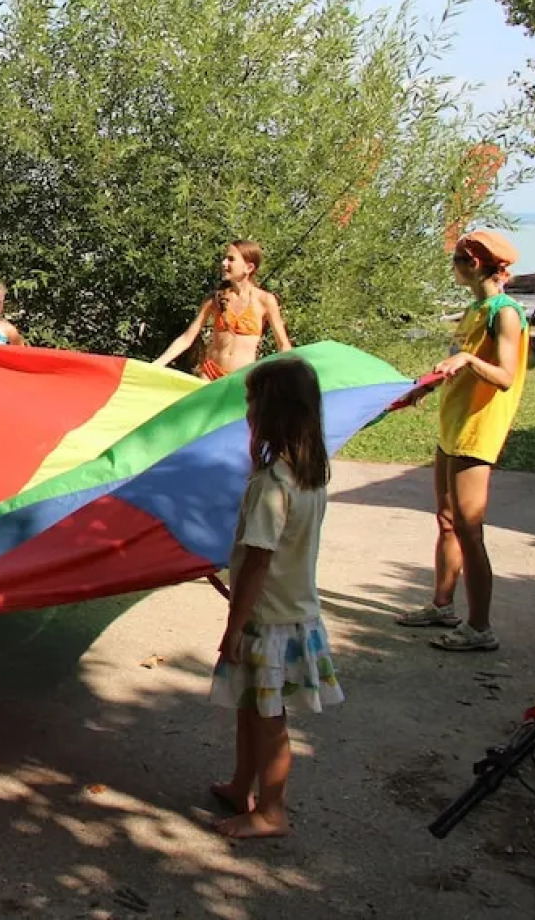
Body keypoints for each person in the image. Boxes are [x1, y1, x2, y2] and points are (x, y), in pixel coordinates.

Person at [208, 356, 341, 840]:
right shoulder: (309, 477)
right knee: (251, 709)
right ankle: (240, 785)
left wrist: (234, 627)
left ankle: (271, 811)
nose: (247, 412)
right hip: (293, 615)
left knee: (268, 722)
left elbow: (259, 563)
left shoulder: (271, 487)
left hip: (266, 623)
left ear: (270, 412)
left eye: (251, 403)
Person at [395, 230, 528, 652]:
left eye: (456, 259)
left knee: (470, 529)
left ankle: (480, 628)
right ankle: (442, 605)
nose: (451, 266)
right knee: (448, 520)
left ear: (474, 263)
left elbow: (504, 376)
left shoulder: (505, 314)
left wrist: (468, 359)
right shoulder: (475, 310)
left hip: (477, 430)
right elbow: (456, 364)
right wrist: (423, 387)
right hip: (453, 425)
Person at [154, 241, 292, 379]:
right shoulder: (216, 298)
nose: (224, 263)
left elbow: (283, 344)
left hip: (242, 379)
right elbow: (187, 338)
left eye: (231, 259)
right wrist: (157, 364)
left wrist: (291, 377)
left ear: (248, 268)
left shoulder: (265, 300)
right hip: (210, 374)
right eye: (225, 258)